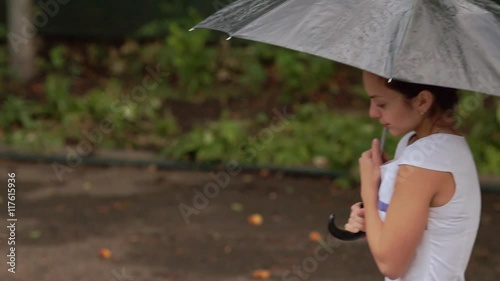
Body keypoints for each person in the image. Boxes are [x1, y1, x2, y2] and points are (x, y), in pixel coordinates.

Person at [344, 71, 482, 281]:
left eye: (381, 104)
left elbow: (390, 264)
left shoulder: (428, 162)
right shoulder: (418, 145)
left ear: (422, 101)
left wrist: (369, 190)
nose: (372, 113)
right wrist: (371, 217)